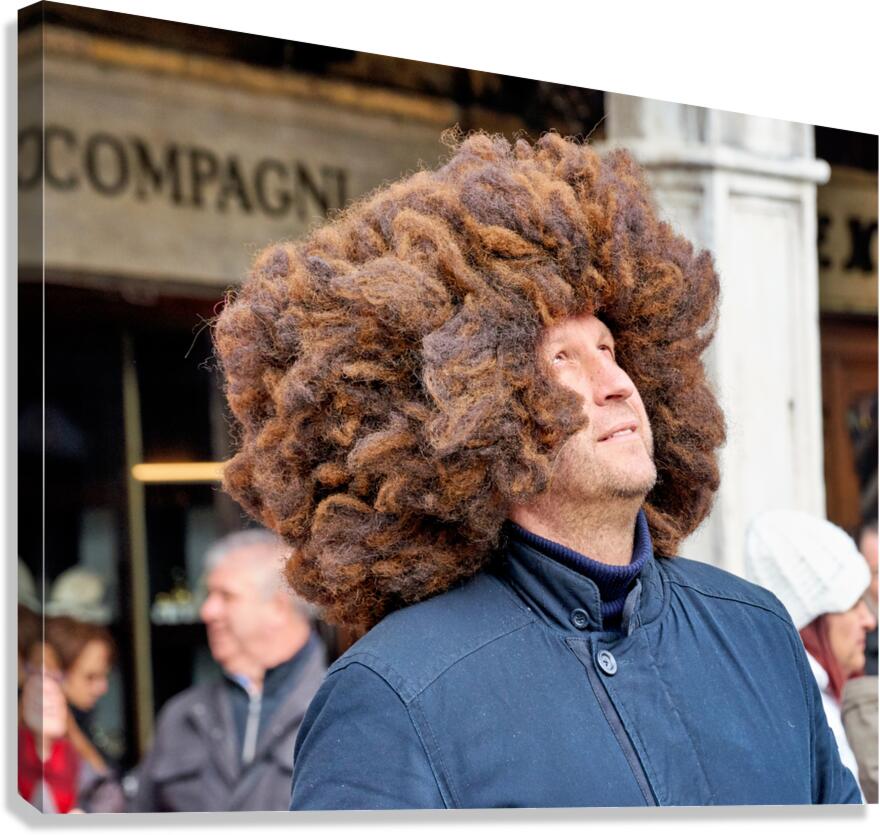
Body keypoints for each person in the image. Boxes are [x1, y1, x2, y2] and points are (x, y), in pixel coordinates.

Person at [214, 131, 861, 807]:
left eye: (610, 348)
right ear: (476, 406)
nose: (614, 383)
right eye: (563, 359)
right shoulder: (394, 695)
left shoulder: (756, 631)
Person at [130, 529, 326, 812]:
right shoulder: (183, 716)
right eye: (209, 596)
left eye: (227, 596)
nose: (208, 611)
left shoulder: (338, 709)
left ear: (279, 609)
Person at [744, 509, 876, 800]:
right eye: (853, 604)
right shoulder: (802, 710)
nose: (869, 620)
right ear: (815, 618)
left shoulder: (818, 696)